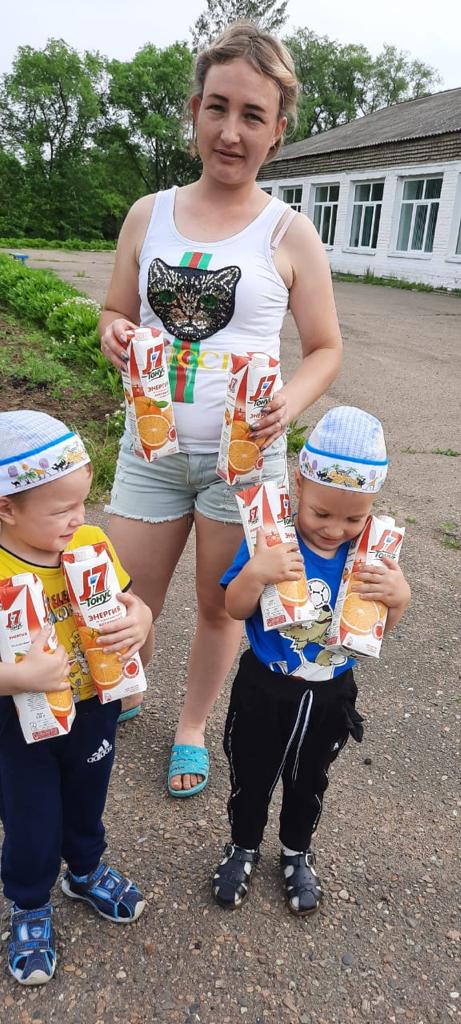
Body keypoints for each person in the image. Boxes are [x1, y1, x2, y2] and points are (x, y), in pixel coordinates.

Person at [99, 22, 343, 796]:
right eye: (217, 108)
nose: (230, 132)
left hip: (244, 464)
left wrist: (287, 402)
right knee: (126, 598)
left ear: (277, 130)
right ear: (194, 110)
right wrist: (113, 334)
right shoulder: (148, 214)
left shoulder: (289, 232)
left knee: (218, 606)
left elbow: (325, 349)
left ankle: (191, 728)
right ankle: (129, 681)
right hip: (150, 450)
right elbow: (114, 309)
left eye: (252, 115)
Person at [213, 406, 411, 915]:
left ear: (371, 506)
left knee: (310, 780)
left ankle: (296, 850)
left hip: (330, 691)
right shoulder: (271, 539)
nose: (335, 530)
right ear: (299, 485)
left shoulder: (371, 557)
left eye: (353, 518)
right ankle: (242, 845)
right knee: (251, 772)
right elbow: (233, 607)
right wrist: (257, 573)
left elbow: (375, 630)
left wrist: (399, 599)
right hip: (266, 684)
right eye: (322, 514)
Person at [0, 411, 153, 986]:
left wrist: (141, 621)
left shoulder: (90, 544)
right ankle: (30, 901)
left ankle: (84, 870)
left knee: (88, 797)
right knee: (30, 816)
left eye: (83, 502)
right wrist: (19, 677)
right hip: (18, 722)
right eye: (62, 509)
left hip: (94, 704)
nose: (79, 518)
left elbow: (131, 606)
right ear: (6, 508)